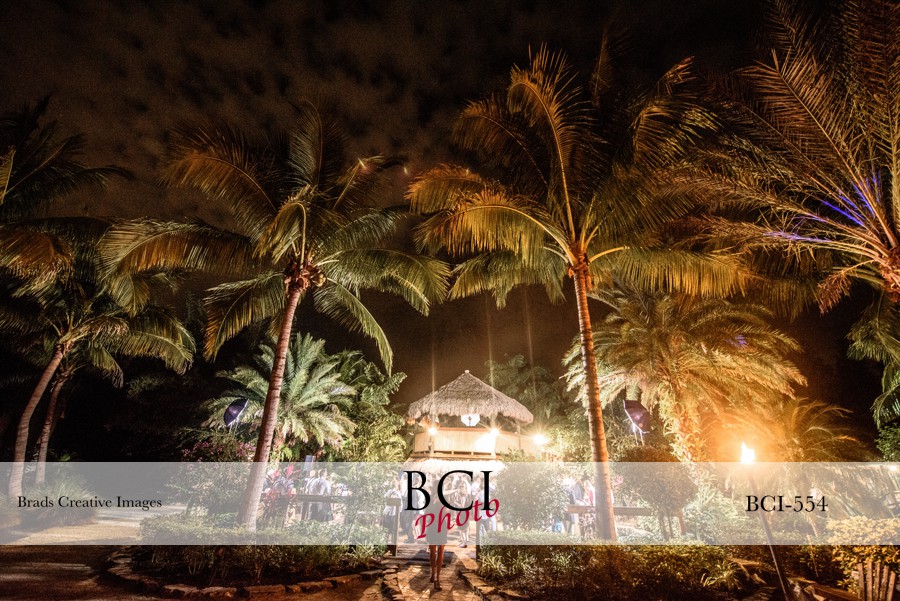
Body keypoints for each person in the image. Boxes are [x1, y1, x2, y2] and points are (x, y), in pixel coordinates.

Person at [425, 481, 448, 591]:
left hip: (442, 526)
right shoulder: (430, 498)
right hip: (433, 526)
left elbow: (448, 512)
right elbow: (426, 512)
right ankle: (433, 574)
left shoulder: (445, 498)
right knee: (432, 552)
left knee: (441, 552)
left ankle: (437, 579)